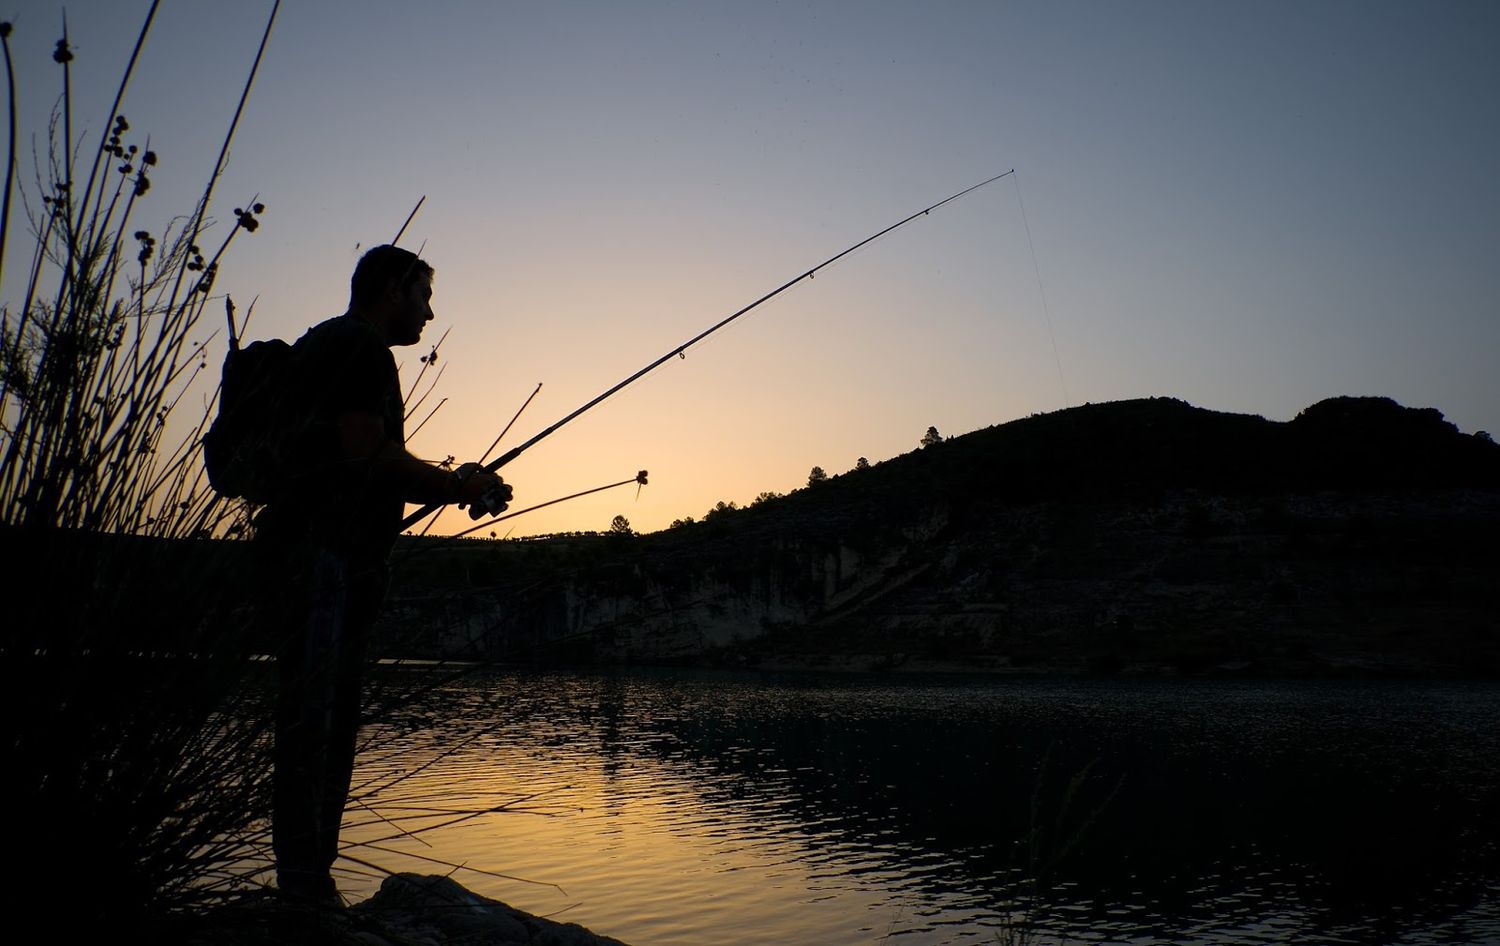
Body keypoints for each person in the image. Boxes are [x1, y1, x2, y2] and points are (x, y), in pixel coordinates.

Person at [254, 244, 510, 902]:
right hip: (327, 563)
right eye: (424, 295)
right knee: (323, 722)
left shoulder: (324, 346)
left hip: (305, 558)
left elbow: (363, 453)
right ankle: (306, 892)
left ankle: (303, 883)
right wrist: (456, 484)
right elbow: (370, 455)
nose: (430, 312)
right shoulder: (360, 348)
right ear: (395, 288)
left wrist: (454, 485)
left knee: (311, 717)